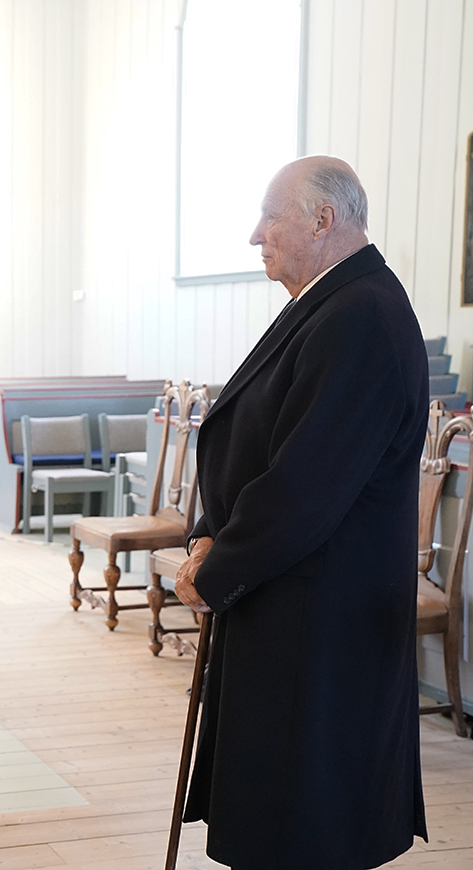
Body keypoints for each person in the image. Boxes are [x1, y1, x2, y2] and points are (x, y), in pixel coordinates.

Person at [173, 155, 429, 869]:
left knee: (306, 829)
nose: (256, 235)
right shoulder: (329, 304)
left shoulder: (362, 315)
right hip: (289, 601)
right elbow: (256, 444)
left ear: (323, 219)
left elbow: (304, 484)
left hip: (321, 621)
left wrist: (214, 569)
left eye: (269, 216)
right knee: (276, 820)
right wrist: (207, 536)